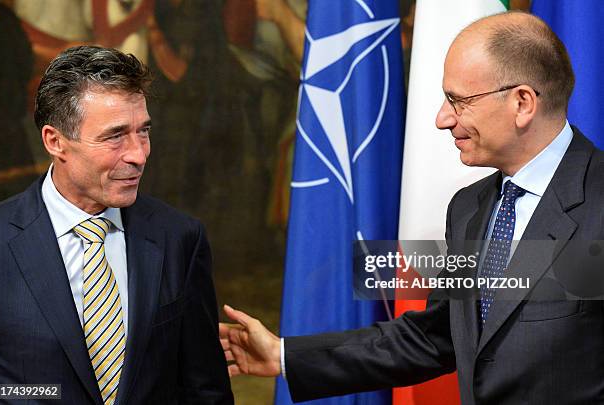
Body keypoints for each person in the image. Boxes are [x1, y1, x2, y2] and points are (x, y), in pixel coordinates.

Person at [219, 11, 604, 404]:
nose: (441, 119)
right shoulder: (469, 209)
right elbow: (433, 337)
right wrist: (284, 355)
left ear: (523, 102)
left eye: (459, 101)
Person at [0, 46, 233, 404]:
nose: (138, 154)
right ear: (55, 141)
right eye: (115, 136)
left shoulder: (180, 238)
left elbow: (204, 390)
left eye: (143, 131)